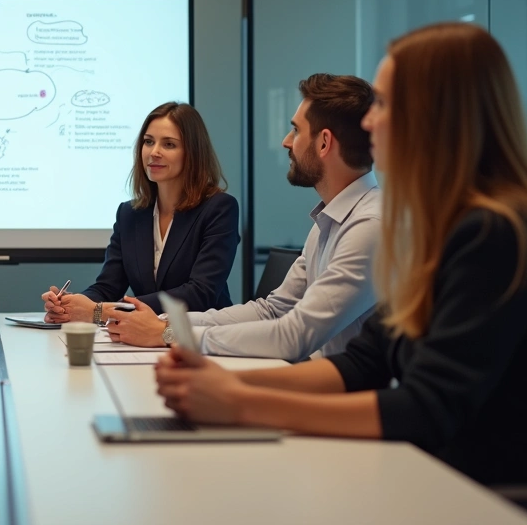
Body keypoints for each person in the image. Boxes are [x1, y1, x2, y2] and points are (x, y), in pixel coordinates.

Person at [156, 22, 527, 487]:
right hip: (433, 478)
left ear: (433, 114)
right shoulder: (438, 230)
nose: (368, 121)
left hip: (494, 495)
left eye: (383, 104)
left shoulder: (495, 234)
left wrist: (241, 403)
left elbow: (426, 408)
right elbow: (364, 363)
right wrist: (224, 385)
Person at [108, 75, 381, 362]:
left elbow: (294, 336)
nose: (286, 141)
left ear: (324, 143)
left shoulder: (369, 226)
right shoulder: (329, 221)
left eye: (296, 131)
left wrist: (169, 334)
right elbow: (272, 310)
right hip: (322, 383)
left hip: (348, 398)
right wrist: (166, 325)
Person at [42, 102, 239, 325]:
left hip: (201, 337)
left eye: (169, 144)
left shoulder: (219, 208)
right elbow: (108, 285)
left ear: (192, 152)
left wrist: (103, 310)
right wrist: (71, 306)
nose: (154, 152)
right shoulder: (130, 214)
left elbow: (200, 293)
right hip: (143, 337)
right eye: (148, 142)